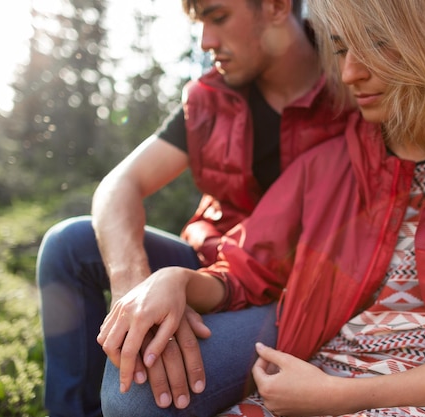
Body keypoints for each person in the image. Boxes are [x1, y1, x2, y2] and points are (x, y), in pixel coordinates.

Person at [97, 0, 425, 416]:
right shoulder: (331, 161)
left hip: (414, 399)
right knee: (130, 388)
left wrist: (335, 398)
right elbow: (248, 268)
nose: (349, 74)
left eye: (374, 44)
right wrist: (175, 280)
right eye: (342, 50)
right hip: (304, 378)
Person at [36, 0, 352, 415]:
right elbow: (120, 184)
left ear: (275, 7)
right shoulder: (209, 99)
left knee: (136, 397)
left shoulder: (356, 83)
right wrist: (134, 289)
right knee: (68, 246)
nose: (206, 41)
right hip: (207, 270)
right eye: (199, 22)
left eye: (218, 17)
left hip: (293, 296)